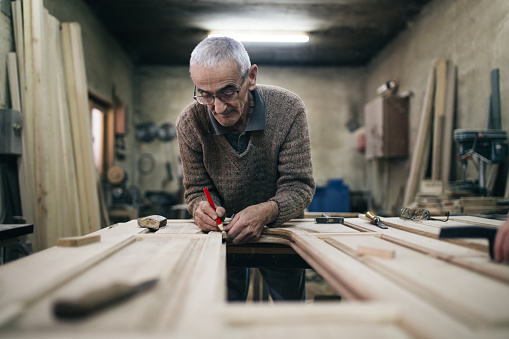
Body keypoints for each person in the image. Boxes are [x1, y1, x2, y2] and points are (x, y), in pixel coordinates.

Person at [176, 36, 315, 301]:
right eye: (204, 95)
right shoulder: (190, 122)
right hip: (222, 234)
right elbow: (196, 189)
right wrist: (202, 209)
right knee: (224, 307)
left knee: (291, 309)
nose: (217, 108)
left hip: (279, 230)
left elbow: (299, 186)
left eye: (228, 92)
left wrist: (267, 211)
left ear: (251, 77)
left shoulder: (288, 109)